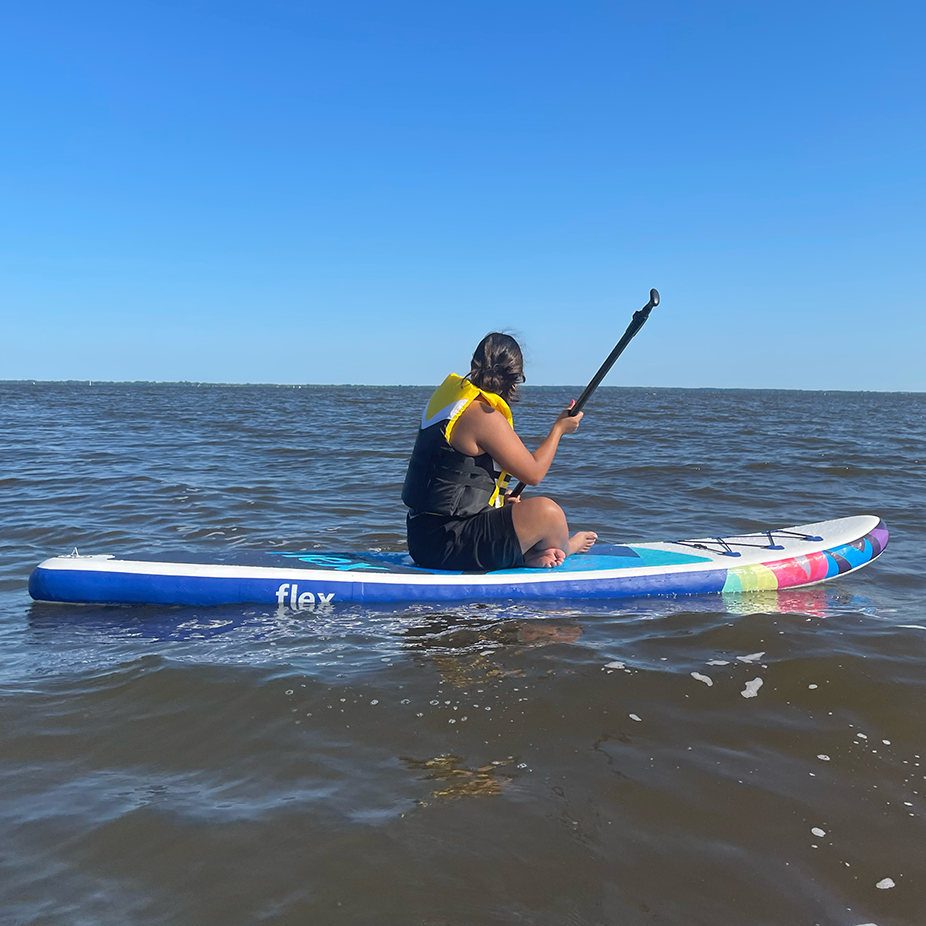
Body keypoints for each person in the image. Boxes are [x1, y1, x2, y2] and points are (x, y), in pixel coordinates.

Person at [402, 332, 597, 571]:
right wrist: (559, 430)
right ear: (515, 380)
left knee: (513, 507)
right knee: (549, 513)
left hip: (421, 538)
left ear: (474, 366)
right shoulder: (483, 416)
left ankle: (524, 556)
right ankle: (567, 547)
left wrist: (501, 503)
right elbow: (534, 474)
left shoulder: (450, 404)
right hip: (447, 546)